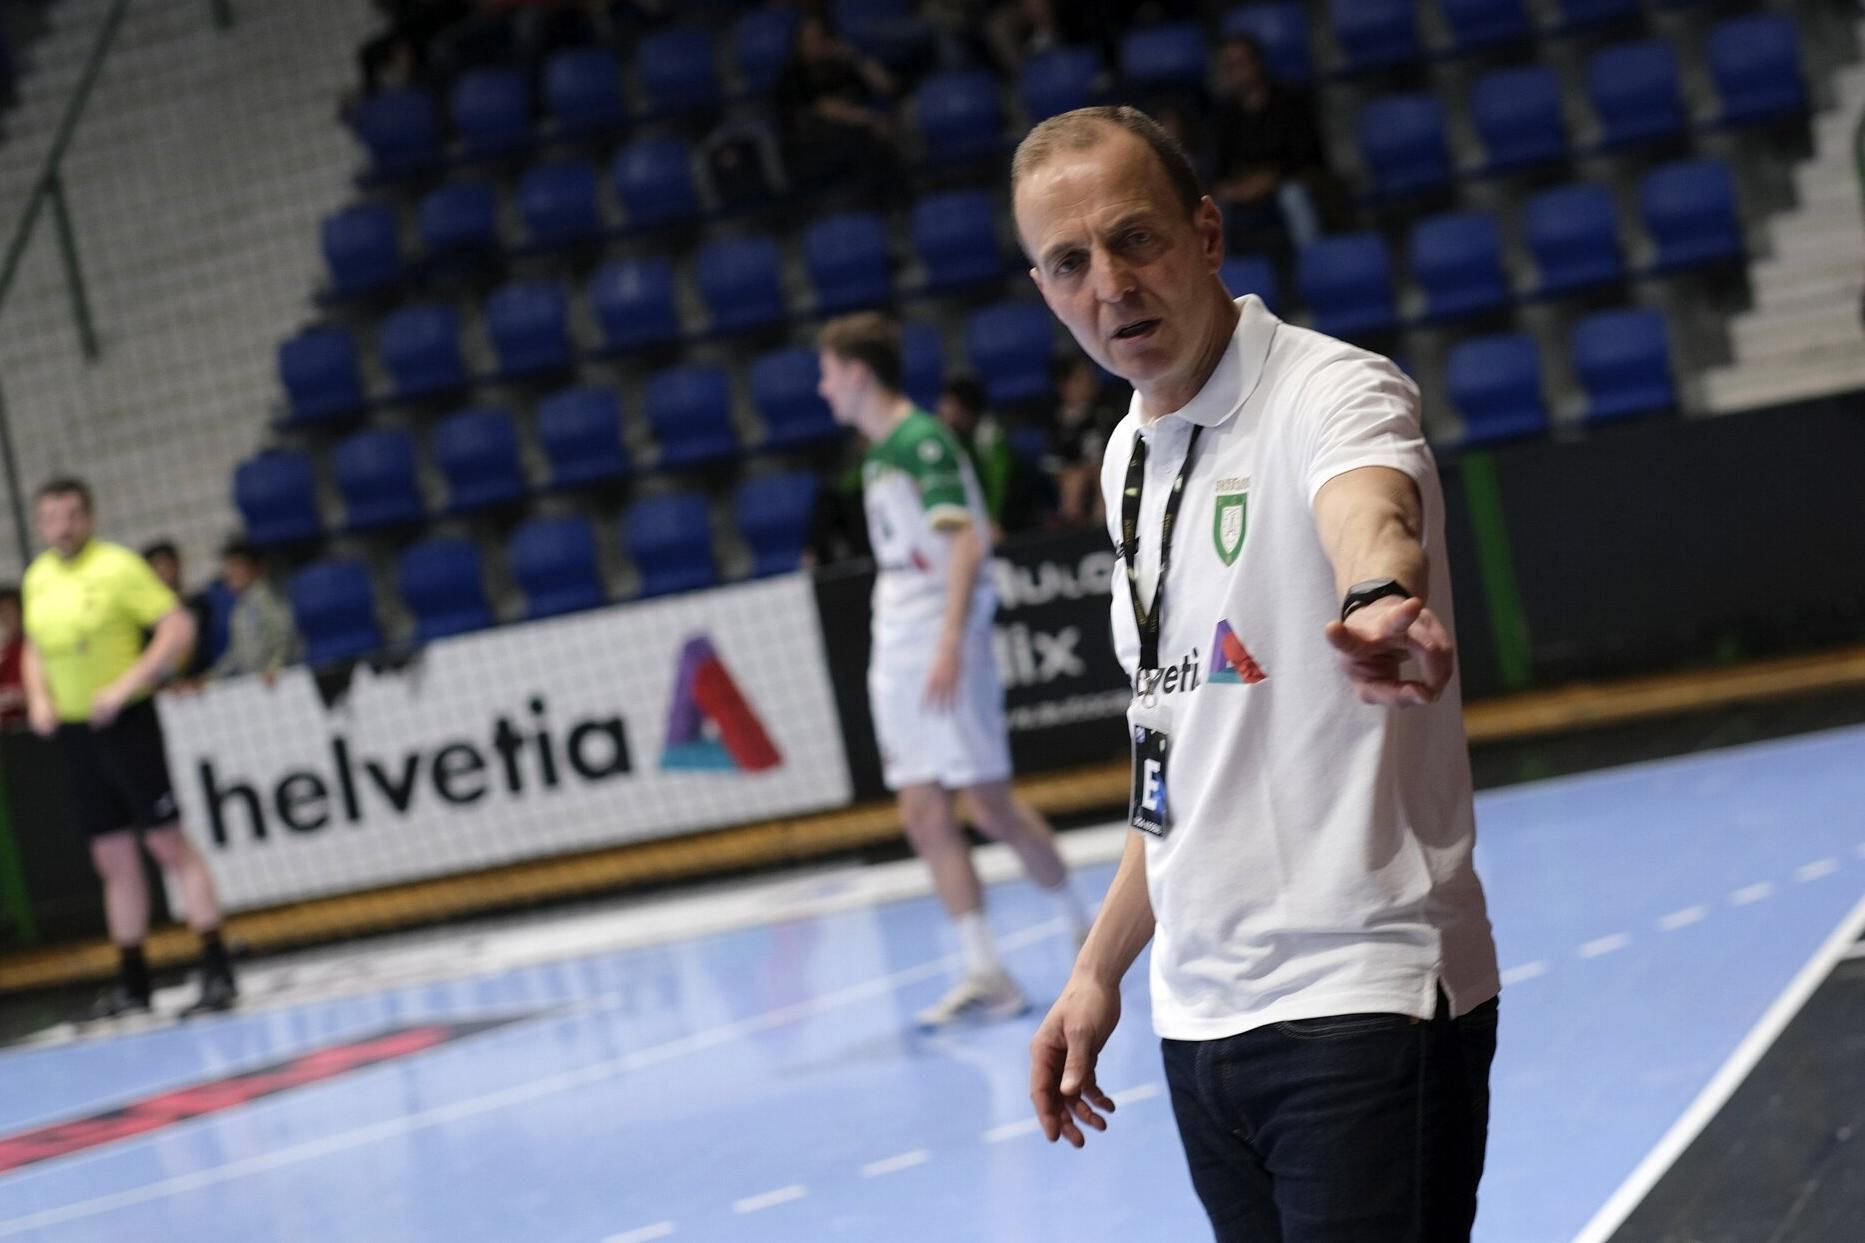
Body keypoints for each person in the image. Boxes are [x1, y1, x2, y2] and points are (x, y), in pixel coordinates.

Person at [1012, 107, 1500, 1241]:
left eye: (1134, 240)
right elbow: (1175, 754)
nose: (1109, 285)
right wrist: (1098, 971)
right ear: (1039, 285)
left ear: (1206, 233)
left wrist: (1378, 595)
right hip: (1201, 1026)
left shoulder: (1330, 391)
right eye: (1069, 262)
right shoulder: (1128, 452)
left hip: (1363, 997)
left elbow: (1368, 509)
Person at [817, 312, 1090, 1027]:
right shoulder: (876, 455)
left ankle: (1085, 930)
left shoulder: (920, 440)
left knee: (987, 803)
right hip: (896, 638)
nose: (820, 388)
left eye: (826, 372)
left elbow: (966, 544)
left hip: (943, 638)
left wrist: (946, 641)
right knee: (919, 808)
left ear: (856, 373)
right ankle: (985, 971)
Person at [22, 480, 238, 1019]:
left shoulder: (117, 567)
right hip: (76, 734)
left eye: (71, 515)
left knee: (167, 844)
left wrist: (127, 685)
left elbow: (178, 626)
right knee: (110, 857)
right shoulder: (38, 577)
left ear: (89, 516)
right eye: (51, 518)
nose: (61, 527)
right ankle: (134, 981)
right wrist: (39, 698)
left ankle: (216, 967)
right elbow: (32, 647)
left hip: (127, 724)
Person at [1209, 35, 1330, 251]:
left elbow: (1307, 154)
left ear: (1257, 62)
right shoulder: (1226, 113)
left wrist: (1269, 179)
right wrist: (1233, 188)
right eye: (1229, 66)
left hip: (1292, 180)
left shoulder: (1291, 100)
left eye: (1240, 63)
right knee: (1213, 207)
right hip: (1247, 187)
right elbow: (1221, 164)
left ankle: (1314, 263)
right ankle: (1223, 276)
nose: (1235, 72)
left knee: (1293, 197)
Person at [775, 16, 901, 207]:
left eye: (819, 39)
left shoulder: (843, 66)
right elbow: (827, 108)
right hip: (817, 150)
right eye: (808, 41)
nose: (814, 46)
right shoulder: (793, 76)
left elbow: (887, 86)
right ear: (798, 45)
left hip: (862, 142)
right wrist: (869, 118)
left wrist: (855, 57)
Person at [206, 540, 300, 682]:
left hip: (280, 681)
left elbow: (286, 637)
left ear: (257, 568)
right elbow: (236, 654)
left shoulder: (269, 598)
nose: (230, 572)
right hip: (256, 682)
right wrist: (209, 678)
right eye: (228, 566)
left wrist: (275, 667)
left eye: (237, 565)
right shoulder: (240, 607)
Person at [140, 539, 214, 678]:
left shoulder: (199, 605)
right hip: (161, 688)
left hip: (203, 684)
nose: (163, 572)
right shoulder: (142, 618)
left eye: (167, 565)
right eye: (156, 567)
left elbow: (207, 646)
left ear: (178, 565)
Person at [0, 586, 24, 729]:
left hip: (26, 730)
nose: (5, 620)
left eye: (10, 613)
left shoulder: (30, 652)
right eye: (2, 614)